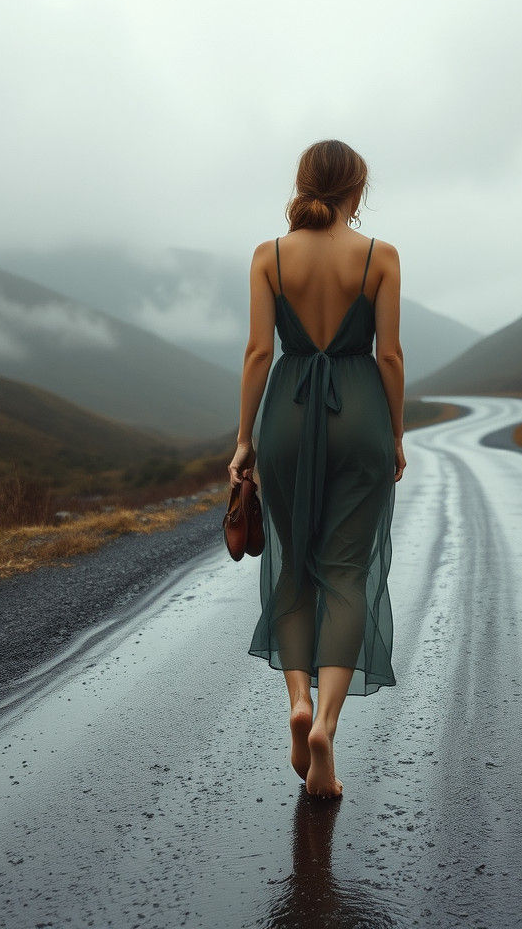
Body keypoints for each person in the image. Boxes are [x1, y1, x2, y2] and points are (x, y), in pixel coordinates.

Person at [228, 139, 406, 799]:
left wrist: (245, 441)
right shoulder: (380, 257)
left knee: (294, 563)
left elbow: (255, 353)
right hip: (358, 412)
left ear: (305, 185)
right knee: (347, 571)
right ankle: (328, 723)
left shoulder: (269, 257)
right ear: (356, 190)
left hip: (285, 413)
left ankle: (297, 704)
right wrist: (393, 433)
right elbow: (390, 357)